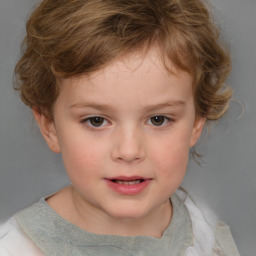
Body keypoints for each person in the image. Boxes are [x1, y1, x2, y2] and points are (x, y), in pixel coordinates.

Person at [0, 0, 240, 255]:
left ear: (196, 123)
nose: (128, 151)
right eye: (96, 121)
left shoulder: (207, 235)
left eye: (158, 119)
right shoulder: (17, 248)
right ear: (49, 127)